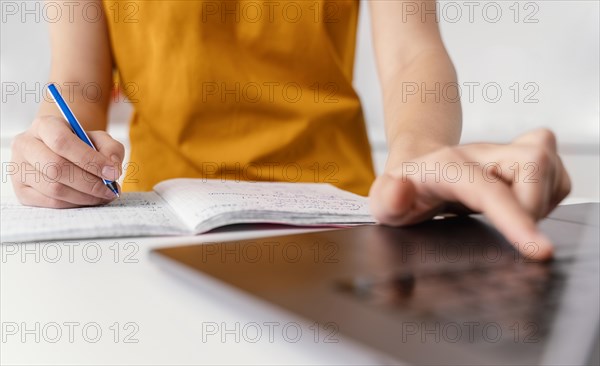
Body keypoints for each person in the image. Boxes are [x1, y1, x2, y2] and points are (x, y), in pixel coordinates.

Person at [11, 0, 570, 260]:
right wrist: (54, 154)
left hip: (340, 224)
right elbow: (77, 87)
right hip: (159, 226)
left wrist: (419, 150)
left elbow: (411, 53)